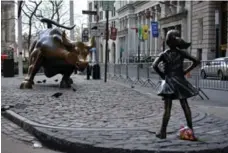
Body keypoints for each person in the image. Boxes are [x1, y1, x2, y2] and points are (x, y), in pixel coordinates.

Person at [152, 29, 200, 140]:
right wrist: (185, 71)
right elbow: (196, 61)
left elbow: (154, 65)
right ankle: (191, 130)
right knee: (185, 105)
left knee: (167, 108)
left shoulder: (164, 54)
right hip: (180, 81)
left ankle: (163, 132)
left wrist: (163, 75)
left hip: (168, 82)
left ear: (168, 41)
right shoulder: (182, 53)